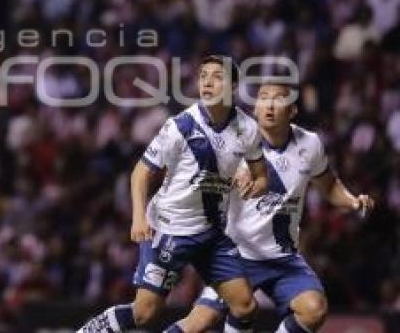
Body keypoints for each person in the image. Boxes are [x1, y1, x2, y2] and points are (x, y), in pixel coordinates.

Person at [76, 55, 269, 333]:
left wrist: (255, 185)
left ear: (234, 85)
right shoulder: (181, 126)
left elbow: (261, 175)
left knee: (245, 306)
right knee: (144, 313)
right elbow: (140, 173)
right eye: (203, 76)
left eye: (217, 77)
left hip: (212, 233)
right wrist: (139, 219)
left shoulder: (248, 128)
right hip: (169, 229)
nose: (207, 82)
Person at [171, 81, 375, 333]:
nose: (269, 105)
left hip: (283, 259)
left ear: (292, 111)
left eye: (278, 100)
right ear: (255, 109)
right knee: (200, 322)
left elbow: (329, 185)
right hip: (238, 256)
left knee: (314, 309)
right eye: (263, 98)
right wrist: (230, 177)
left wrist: (353, 200)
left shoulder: (309, 144)